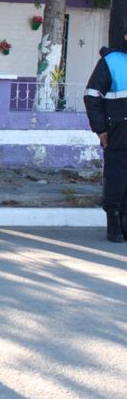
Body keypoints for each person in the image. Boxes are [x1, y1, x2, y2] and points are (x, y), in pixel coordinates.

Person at [84, 31, 127, 243]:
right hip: (118, 134)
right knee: (117, 179)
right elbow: (92, 96)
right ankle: (114, 224)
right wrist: (101, 129)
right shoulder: (111, 61)